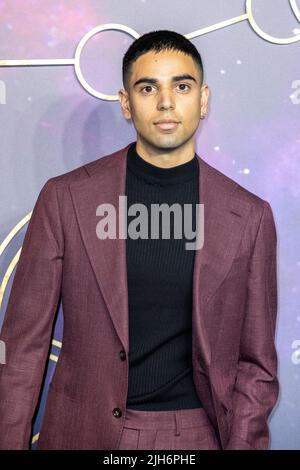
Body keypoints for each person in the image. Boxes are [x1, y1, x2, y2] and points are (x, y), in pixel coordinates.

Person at [0, 30, 279, 450]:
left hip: (197, 435)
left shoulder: (250, 217)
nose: (166, 102)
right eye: (148, 88)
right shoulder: (66, 198)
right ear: (126, 103)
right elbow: (21, 349)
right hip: (83, 431)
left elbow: (257, 364)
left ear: (202, 99)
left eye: (181, 86)